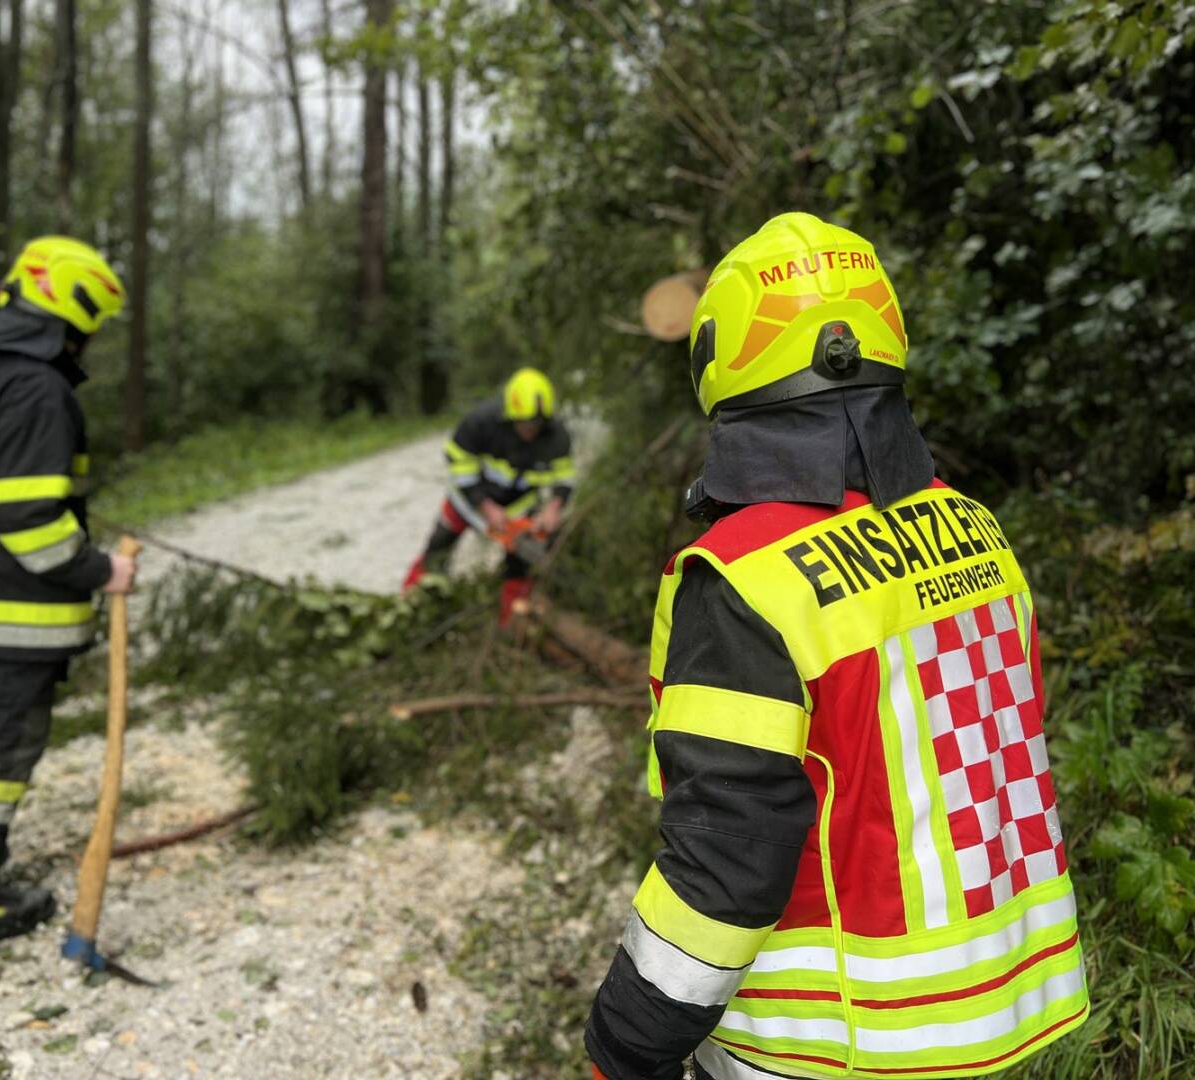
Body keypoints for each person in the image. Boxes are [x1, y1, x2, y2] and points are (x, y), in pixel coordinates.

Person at [585, 213, 1088, 1080]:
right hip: (999, 1015)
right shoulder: (977, 533)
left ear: (724, 358)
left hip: (831, 1047)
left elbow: (726, 854)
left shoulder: (743, 578)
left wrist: (626, 1042)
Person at [0, 236, 137, 956]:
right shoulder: (39, 393)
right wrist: (102, 572)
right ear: (71, 317)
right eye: (90, 326)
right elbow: (32, 526)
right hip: (6, 619)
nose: (89, 341)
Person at [402, 367, 576, 625]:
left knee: (521, 563)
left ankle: (511, 623)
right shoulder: (480, 423)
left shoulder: (556, 436)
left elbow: (564, 476)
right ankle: (409, 605)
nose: (532, 430)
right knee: (438, 548)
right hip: (468, 501)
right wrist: (485, 506)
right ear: (511, 415)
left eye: (537, 424)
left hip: (517, 508)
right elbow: (457, 462)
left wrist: (553, 507)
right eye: (526, 424)